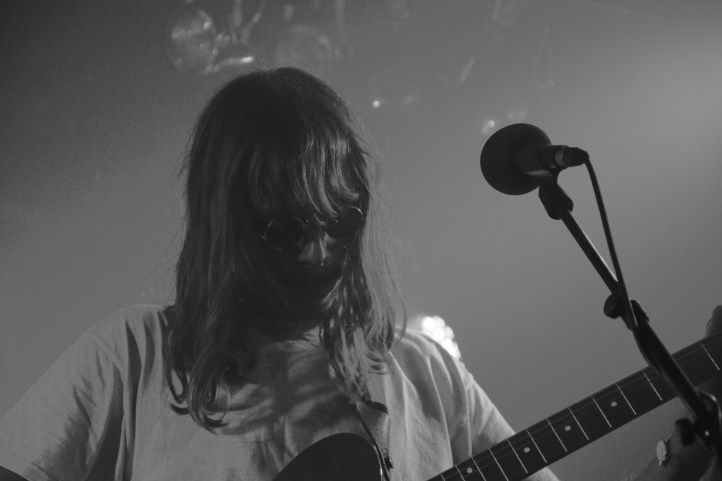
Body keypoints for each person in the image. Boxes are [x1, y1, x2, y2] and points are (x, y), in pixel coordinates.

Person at [0, 67, 719, 481]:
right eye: (287, 228)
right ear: (230, 222)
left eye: (339, 218)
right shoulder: (134, 356)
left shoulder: (422, 372)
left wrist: (671, 472)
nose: (320, 251)